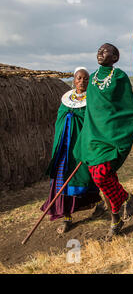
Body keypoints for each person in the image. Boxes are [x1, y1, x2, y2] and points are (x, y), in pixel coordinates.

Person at [74, 43, 133, 238]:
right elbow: (92, 111)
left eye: (105, 50)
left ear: (116, 57)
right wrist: (85, 136)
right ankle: (117, 216)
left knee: (102, 176)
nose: (100, 52)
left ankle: (123, 202)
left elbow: (129, 108)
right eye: (99, 50)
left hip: (111, 136)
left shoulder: (119, 77)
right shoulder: (92, 78)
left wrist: (122, 131)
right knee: (103, 180)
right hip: (94, 137)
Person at [41, 67, 105, 234]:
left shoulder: (92, 99)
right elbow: (60, 121)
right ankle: (67, 218)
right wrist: (69, 118)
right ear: (74, 80)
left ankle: (98, 204)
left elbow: (95, 122)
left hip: (82, 148)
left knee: (86, 178)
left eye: (85, 79)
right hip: (65, 150)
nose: (82, 81)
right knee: (63, 181)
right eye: (79, 78)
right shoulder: (66, 100)